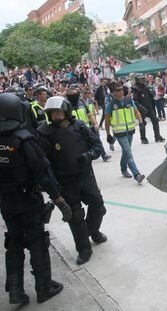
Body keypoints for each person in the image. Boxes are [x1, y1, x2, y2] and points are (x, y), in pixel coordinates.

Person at [0, 93, 72, 304]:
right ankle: (44, 287)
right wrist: (59, 200)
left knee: (13, 242)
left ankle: (15, 290)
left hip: (6, 202)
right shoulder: (24, 140)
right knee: (37, 242)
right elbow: (44, 174)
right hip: (28, 201)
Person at [38, 96, 108, 265]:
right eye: (52, 112)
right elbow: (44, 162)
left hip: (85, 176)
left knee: (98, 205)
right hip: (65, 182)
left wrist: (88, 155)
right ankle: (84, 248)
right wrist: (53, 187)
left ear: (66, 111)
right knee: (75, 216)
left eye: (58, 111)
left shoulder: (79, 126)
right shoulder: (43, 133)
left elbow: (97, 146)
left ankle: (93, 231)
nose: (55, 115)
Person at [105, 82, 146, 183]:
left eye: (121, 89)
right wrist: (108, 134)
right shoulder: (110, 105)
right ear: (113, 92)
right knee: (128, 153)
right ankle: (137, 175)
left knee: (126, 152)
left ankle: (123, 169)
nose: (121, 91)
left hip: (130, 131)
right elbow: (107, 120)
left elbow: (136, 112)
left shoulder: (129, 101)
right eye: (118, 90)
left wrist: (141, 122)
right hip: (119, 134)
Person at [78, 86, 112, 162]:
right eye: (85, 93)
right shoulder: (79, 102)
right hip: (84, 126)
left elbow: (92, 112)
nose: (87, 94)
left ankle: (104, 155)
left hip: (92, 124)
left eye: (88, 93)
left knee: (97, 140)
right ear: (82, 93)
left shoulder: (90, 100)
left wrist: (95, 123)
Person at [131, 75, 165, 144]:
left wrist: (155, 96)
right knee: (142, 123)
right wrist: (140, 108)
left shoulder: (145, 86)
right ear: (138, 80)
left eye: (144, 78)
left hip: (149, 107)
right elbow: (135, 100)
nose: (143, 79)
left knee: (155, 120)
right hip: (141, 109)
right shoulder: (135, 88)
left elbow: (150, 95)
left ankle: (157, 136)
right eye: (141, 79)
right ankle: (143, 138)